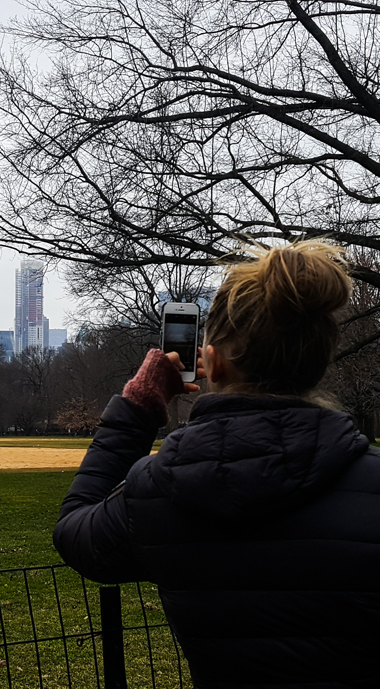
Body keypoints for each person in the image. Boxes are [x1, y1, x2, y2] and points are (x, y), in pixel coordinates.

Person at [53, 240, 380, 688]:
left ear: (214, 362)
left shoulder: (157, 489)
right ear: (318, 362)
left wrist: (138, 406)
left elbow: (76, 534)